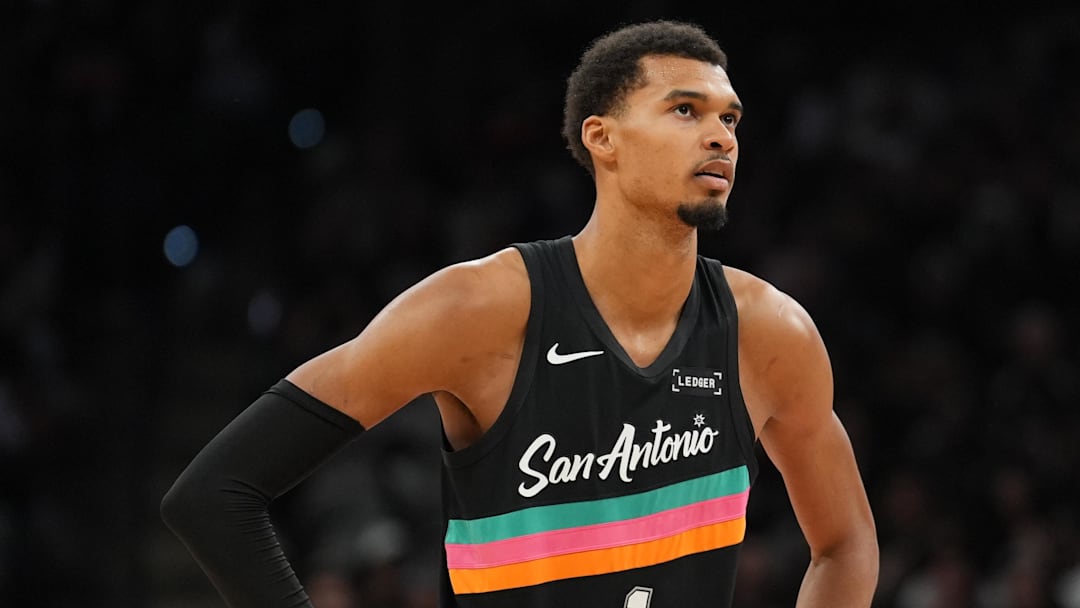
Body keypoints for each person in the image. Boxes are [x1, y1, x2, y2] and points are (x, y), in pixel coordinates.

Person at [161, 18, 879, 608]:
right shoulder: (478, 309)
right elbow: (214, 496)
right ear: (602, 138)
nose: (722, 136)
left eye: (729, 117)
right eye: (685, 110)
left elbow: (845, 546)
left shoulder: (770, 333)